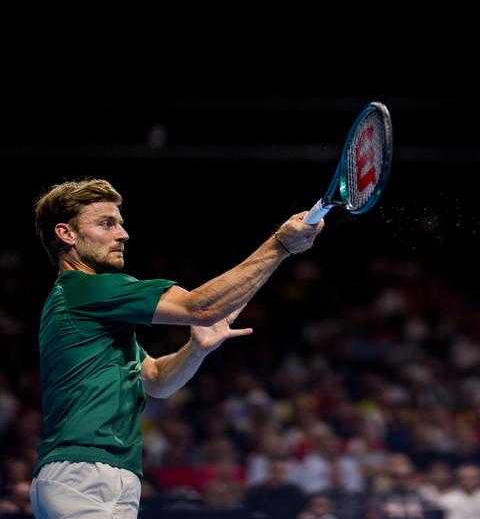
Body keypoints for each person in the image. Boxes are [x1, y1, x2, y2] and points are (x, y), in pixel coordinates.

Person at [29, 178, 323, 518]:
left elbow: (156, 379)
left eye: (120, 224)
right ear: (66, 234)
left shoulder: (98, 319)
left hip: (108, 475)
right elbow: (199, 307)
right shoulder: (84, 290)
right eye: (106, 224)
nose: (122, 235)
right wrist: (279, 246)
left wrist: (195, 350)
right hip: (82, 475)